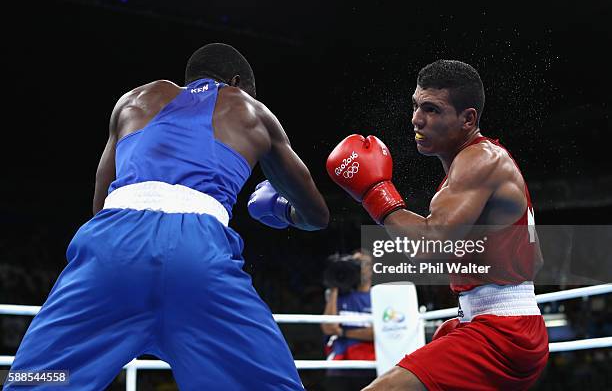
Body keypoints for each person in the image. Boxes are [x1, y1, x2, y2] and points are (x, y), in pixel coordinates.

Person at [5, 43, 329, 390]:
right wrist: (281, 209)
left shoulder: (132, 101)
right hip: (197, 255)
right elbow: (317, 215)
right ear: (237, 84)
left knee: (37, 381)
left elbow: (101, 205)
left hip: (112, 247)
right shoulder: (251, 110)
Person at [326, 60, 548, 390]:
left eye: (432, 109)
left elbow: (430, 244)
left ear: (468, 118)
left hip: (502, 332)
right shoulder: (477, 164)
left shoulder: (480, 160)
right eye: (416, 105)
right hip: (494, 324)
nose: (417, 119)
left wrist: (376, 194)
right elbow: (537, 259)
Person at [321, 250, 376, 391]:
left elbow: (377, 333)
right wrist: (334, 285)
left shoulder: (379, 296)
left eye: (362, 263)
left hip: (370, 366)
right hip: (340, 366)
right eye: (355, 263)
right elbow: (328, 328)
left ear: (372, 268)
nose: (358, 267)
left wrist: (342, 332)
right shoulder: (338, 297)